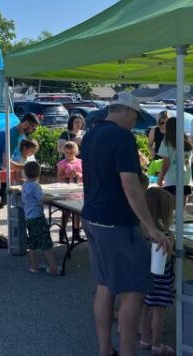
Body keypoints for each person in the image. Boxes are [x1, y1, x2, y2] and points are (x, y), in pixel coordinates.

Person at [81, 92, 171, 356]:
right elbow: (130, 185)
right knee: (134, 288)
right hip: (116, 221)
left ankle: (105, 350)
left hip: (92, 217)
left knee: (105, 285)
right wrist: (151, 227)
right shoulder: (122, 137)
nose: (136, 123)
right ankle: (128, 351)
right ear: (128, 112)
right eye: (136, 117)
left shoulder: (91, 135)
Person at [0, 113, 39, 249]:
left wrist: (25, 164)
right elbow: (7, 164)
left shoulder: (19, 134)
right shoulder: (13, 135)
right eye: (33, 128)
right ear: (26, 124)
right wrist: (27, 167)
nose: (33, 131)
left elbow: (15, 158)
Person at [138, 186, 175, 356]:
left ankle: (145, 338)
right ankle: (157, 344)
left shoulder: (142, 230)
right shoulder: (163, 234)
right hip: (160, 279)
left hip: (144, 276)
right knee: (158, 312)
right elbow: (166, 258)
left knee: (145, 307)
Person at [21, 160, 60, 275]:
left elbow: (37, 196)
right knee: (45, 242)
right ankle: (53, 267)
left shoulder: (25, 184)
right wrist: (54, 198)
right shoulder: (35, 186)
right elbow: (41, 199)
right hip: (37, 217)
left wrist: (47, 196)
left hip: (29, 218)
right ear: (39, 173)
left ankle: (34, 266)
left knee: (33, 242)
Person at [157, 116, 193, 206]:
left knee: (171, 209)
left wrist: (160, 178)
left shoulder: (166, 142)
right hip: (186, 180)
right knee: (181, 209)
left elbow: (166, 163)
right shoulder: (188, 143)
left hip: (172, 180)